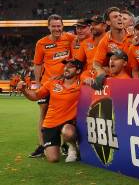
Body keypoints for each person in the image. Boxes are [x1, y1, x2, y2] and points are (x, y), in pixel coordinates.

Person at [18, 59, 83, 163]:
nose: (66, 68)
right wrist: (24, 90)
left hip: (68, 123)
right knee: (53, 159)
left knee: (69, 132)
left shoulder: (82, 85)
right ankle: (55, 147)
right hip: (50, 124)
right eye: (65, 66)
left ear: (78, 71)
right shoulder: (53, 82)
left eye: (70, 66)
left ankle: (73, 148)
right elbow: (35, 96)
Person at [30, 14, 76, 158]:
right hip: (47, 83)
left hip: (66, 83)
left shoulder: (70, 38)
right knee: (44, 113)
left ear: (62, 26)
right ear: (48, 27)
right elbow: (37, 64)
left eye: (59, 26)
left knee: (66, 114)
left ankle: (65, 144)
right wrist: (37, 84)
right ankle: (42, 145)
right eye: (54, 26)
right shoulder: (41, 43)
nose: (57, 28)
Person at [93, 7, 129, 76]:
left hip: (136, 79)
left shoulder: (133, 35)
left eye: (120, 16)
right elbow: (96, 64)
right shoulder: (105, 41)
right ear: (108, 22)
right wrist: (101, 73)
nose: (120, 18)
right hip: (117, 79)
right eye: (115, 17)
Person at [74, 15, 105, 82]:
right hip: (88, 79)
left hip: (106, 78)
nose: (92, 27)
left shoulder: (110, 41)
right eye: (91, 24)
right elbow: (77, 63)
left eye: (96, 24)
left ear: (104, 26)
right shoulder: (85, 43)